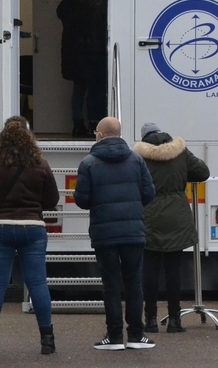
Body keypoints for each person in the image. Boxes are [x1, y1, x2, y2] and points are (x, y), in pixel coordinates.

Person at [0, 116, 60, 355]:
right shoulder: (40, 163)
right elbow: (53, 199)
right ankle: (47, 340)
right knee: (38, 283)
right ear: (29, 137)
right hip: (32, 227)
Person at [73, 116, 156, 350]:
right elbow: (149, 193)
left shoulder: (88, 163)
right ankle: (137, 336)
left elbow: (82, 200)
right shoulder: (136, 159)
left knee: (111, 285)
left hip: (104, 232)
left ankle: (115, 336)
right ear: (119, 134)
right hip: (133, 231)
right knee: (134, 284)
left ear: (99, 134)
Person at [133, 122, 210, 333]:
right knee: (174, 270)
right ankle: (175, 320)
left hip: (149, 215)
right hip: (177, 215)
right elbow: (203, 172)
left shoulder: (139, 156)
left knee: (149, 271)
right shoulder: (180, 151)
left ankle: (150, 320)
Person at [56, 0, 91, 137]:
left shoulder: (63, 6)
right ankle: (92, 123)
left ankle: (77, 123)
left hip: (70, 53)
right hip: (84, 52)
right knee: (91, 89)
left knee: (78, 90)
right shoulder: (83, 6)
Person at [80, 0, 108, 134]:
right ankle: (103, 125)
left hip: (85, 52)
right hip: (101, 51)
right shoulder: (106, 5)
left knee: (91, 89)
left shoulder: (83, 4)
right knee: (102, 89)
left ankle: (92, 122)